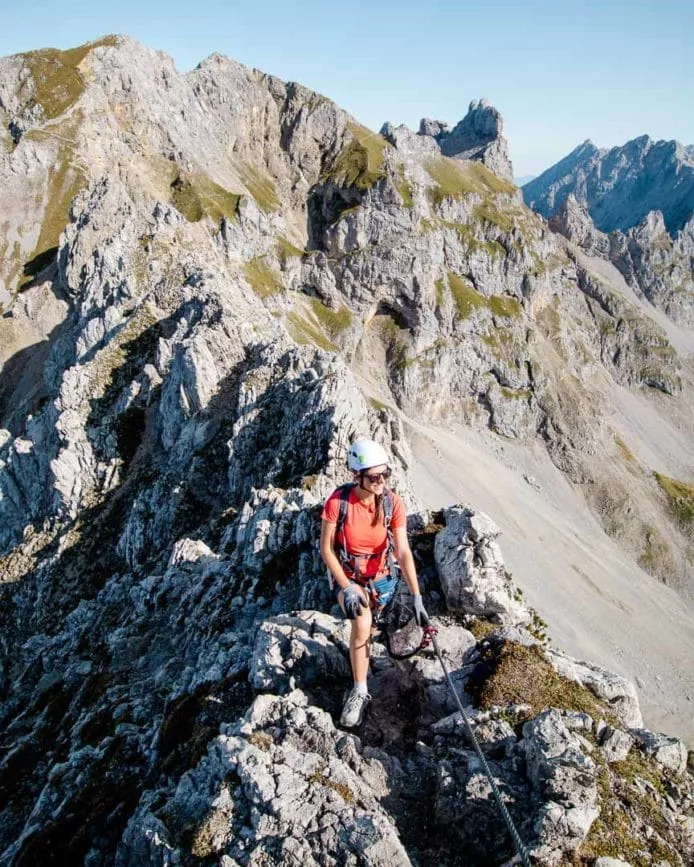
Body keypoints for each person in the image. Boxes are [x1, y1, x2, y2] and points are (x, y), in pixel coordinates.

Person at [320, 438, 428, 727]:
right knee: (362, 621)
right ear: (357, 475)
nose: (381, 481)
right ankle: (359, 690)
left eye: (385, 474)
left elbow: (403, 552)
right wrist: (347, 587)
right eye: (374, 477)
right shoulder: (338, 502)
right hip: (350, 579)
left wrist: (417, 596)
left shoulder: (393, 503)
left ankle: (370, 661)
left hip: (384, 580)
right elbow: (326, 549)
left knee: (386, 631)